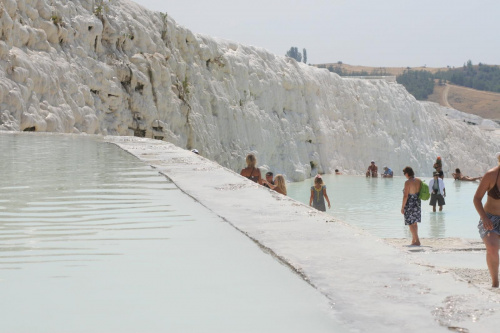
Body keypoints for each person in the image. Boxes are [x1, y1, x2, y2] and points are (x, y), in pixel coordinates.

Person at [473, 153, 500, 288]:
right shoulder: (491, 175)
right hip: (490, 218)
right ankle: (495, 282)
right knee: (492, 247)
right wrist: (484, 217)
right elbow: (477, 198)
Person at [401, 166, 422, 246]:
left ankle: (417, 240)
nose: (404, 175)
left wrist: (402, 207)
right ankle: (414, 240)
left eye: (404, 173)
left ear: (407, 173)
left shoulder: (407, 182)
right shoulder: (419, 180)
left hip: (410, 204)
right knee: (415, 223)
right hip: (417, 203)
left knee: (410, 223)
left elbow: (405, 196)